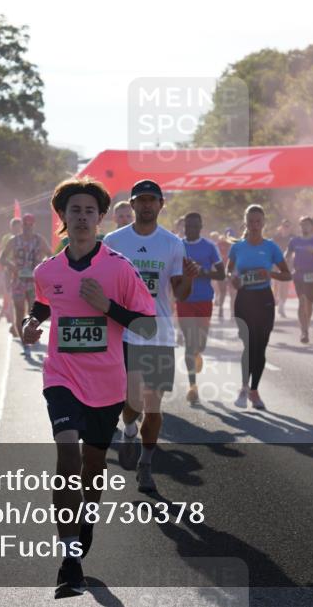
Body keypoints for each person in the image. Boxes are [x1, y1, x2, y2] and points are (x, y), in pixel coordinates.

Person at [21, 177, 156, 597]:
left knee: (92, 467)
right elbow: (45, 302)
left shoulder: (119, 267)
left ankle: (84, 521)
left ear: (99, 219)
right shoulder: (47, 269)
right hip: (61, 376)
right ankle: (69, 559)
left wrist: (107, 307)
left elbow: (148, 325)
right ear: (62, 217)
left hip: (106, 382)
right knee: (66, 453)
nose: (82, 217)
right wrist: (32, 322)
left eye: (89, 211)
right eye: (74, 211)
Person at [104, 180, 199, 492]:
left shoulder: (171, 243)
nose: (146, 205)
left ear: (161, 204)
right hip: (126, 333)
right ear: (132, 205)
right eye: (140, 200)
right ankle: (129, 428)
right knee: (130, 403)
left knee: (154, 405)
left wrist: (188, 278)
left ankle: (145, 465)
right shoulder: (114, 240)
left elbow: (180, 293)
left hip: (159, 334)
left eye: (152, 200)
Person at [227, 205, 292, 410]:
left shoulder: (271, 247)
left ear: (263, 223)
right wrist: (233, 280)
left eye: (258, 221)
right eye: (251, 221)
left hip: (264, 299)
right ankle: (244, 388)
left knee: (260, 346)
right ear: (245, 223)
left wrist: (269, 274)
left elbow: (287, 274)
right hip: (244, 299)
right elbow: (229, 273)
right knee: (249, 345)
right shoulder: (237, 248)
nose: (255, 225)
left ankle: (254, 391)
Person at [178, 212, 225, 404]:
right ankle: (192, 386)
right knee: (190, 342)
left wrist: (202, 271)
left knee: (200, 344)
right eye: (188, 226)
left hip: (204, 300)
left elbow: (222, 274)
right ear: (184, 226)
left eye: (195, 226)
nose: (191, 229)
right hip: (184, 300)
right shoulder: (177, 245)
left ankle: (198, 352)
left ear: (201, 226)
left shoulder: (209, 247)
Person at [0, 214, 47, 344]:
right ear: (22, 226)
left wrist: (41, 265)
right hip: (18, 281)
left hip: (34, 282)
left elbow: (51, 255)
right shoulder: (14, 241)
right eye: (25, 225)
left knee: (34, 313)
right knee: (19, 310)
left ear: (34, 225)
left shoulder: (39, 240)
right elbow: (1, 258)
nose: (28, 227)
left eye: (30, 225)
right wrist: (12, 266)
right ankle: (22, 338)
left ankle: (31, 336)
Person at [286, 217, 313, 343]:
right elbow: (287, 254)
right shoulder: (294, 241)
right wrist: (284, 260)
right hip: (298, 275)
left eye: (307, 225)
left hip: (312, 275)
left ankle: (307, 325)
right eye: (302, 225)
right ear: (300, 227)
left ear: (312, 227)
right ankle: (304, 331)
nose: (305, 227)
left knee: (309, 304)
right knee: (302, 302)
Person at [272, 218, 294, 318]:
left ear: (290, 228)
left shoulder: (293, 238)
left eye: (288, 226)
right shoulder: (276, 237)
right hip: (276, 263)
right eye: (284, 226)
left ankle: (281, 305)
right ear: (281, 227)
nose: (286, 228)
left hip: (288, 264)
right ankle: (275, 298)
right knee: (276, 284)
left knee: (284, 285)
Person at [214, 230, 234, 320]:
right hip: (221, 271)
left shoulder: (233, 246)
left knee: (232, 292)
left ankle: (232, 311)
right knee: (224, 292)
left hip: (231, 271)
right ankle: (221, 310)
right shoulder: (218, 245)